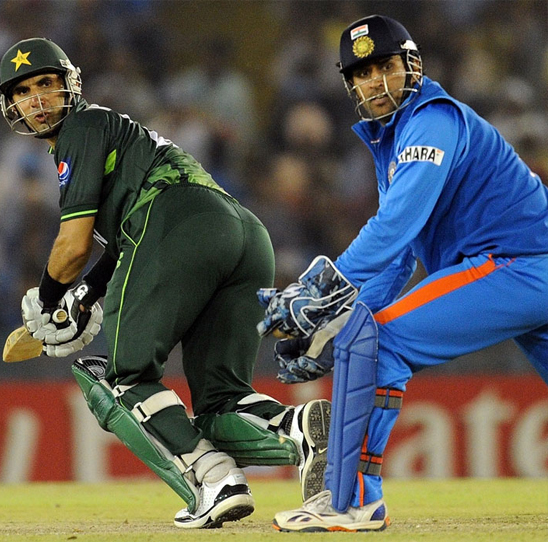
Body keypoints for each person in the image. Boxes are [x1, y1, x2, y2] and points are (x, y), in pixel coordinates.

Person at [0, 37, 331, 529]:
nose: (39, 99)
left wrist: (49, 300)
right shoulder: (115, 131)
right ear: (11, 105)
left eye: (46, 83)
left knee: (117, 379)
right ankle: (301, 428)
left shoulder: (82, 126)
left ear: (71, 85)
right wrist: (86, 295)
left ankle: (214, 482)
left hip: (173, 224)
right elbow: (122, 241)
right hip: (243, 234)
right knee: (220, 401)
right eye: (24, 91)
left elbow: (73, 247)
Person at [259, 14, 548, 533]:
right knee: (364, 334)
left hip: (518, 266)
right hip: (525, 271)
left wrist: (322, 285)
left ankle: (352, 501)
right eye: (362, 73)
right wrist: (342, 318)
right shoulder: (394, 138)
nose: (376, 80)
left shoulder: (432, 118)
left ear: (412, 65)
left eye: (385, 65)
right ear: (350, 85)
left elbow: (395, 225)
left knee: (382, 342)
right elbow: (398, 257)